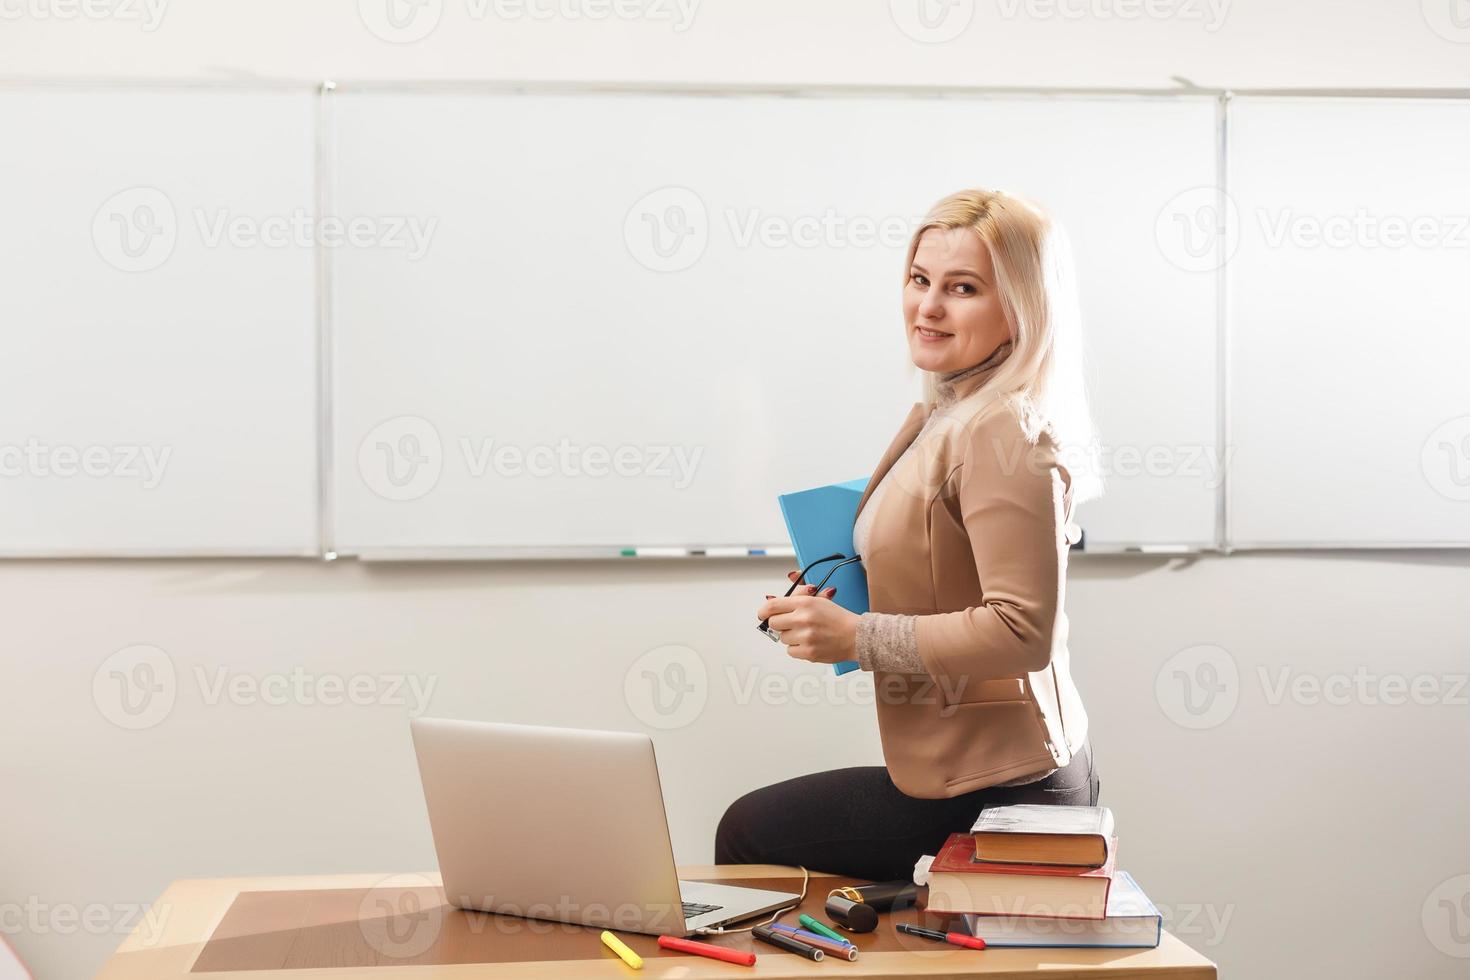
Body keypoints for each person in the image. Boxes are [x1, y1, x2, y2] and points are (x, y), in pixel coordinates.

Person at [717, 188, 1104, 883]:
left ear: (1021, 308)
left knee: (750, 835)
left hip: (1009, 792)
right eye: (920, 280)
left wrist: (856, 638)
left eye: (962, 288)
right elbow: (938, 564)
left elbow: (1023, 628)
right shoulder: (948, 408)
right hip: (964, 770)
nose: (928, 306)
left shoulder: (1001, 431)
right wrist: (828, 608)